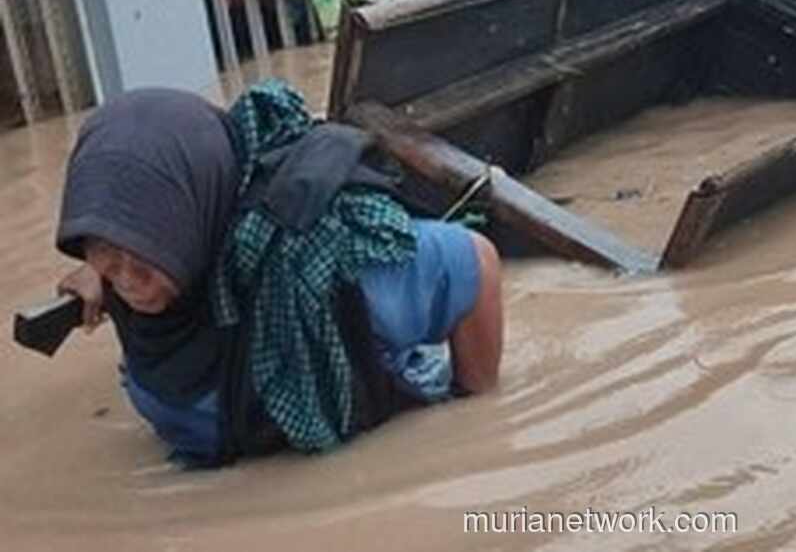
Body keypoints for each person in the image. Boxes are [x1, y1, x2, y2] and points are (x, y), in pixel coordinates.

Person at [54, 81, 503, 466]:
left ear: (196, 216)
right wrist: (99, 272)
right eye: (108, 253)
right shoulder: (138, 287)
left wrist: (473, 417)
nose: (129, 281)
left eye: (145, 258)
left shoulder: (322, 263)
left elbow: (477, 262)